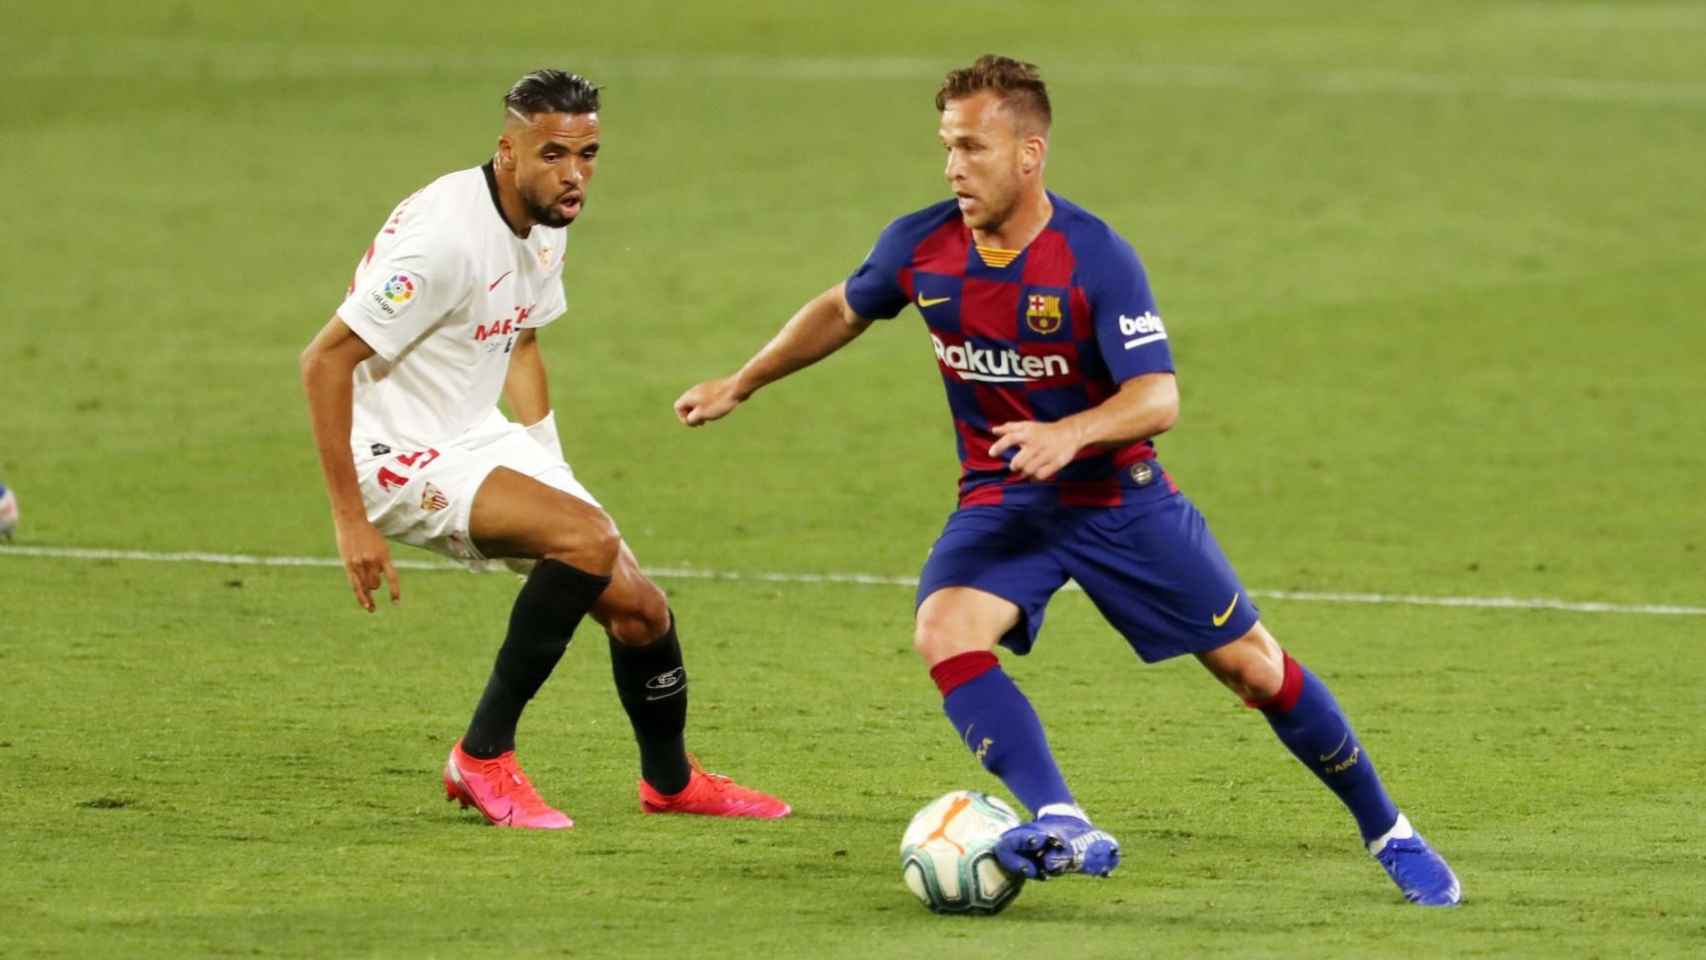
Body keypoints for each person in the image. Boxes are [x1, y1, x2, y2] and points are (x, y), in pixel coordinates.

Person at [674, 55, 1458, 905]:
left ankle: (1389, 829)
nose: (952, 167)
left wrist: (1071, 432)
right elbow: (844, 305)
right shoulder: (921, 244)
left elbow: (1157, 395)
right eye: (946, 147)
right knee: (944, 629)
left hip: (1118, 500)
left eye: (973, 148)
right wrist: (741, 381)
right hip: (1003, 500)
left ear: (1029, 153)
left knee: (1254, 671)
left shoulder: (1093, 257)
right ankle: (1061, 816)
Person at [299, 69, 789, 829]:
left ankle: (670, 782)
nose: (575, 174)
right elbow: (323, 361)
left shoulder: (543, 222)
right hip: (394, 454)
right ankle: (482, 756)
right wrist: (349, 518)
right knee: (585, 540)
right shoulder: (444, 242)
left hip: (473, 429)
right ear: (507, 150)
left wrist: (547, 461)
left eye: (588, 153)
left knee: (640, 610)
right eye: (554, 154)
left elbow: (521, 338)